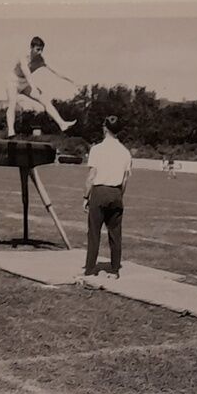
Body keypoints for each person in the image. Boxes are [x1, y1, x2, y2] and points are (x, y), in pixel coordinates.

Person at [83, 116, 132, 279]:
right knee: (115, 233)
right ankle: (114, 270)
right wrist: (119, 195)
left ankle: (90, 270)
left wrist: (86, 196)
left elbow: (91, 176)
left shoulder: (97, 149)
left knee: (94, 233)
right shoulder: (125, 152)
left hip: (99, 191)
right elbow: (125, 180)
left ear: (105, 128)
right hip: (116, 192)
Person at [6, 36, 77, 138]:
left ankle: (62, 124)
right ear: (31, 47)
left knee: (45, 100)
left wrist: (72, 80)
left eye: (41, 50)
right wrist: (33, 87)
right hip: (13, 81)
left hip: (25, 83)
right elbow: (27, 73)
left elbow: (56, 71)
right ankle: (11, 131)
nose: (40, 52)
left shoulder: (41, 60)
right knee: (12, 103)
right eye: (37, 49)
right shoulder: (23, 56)